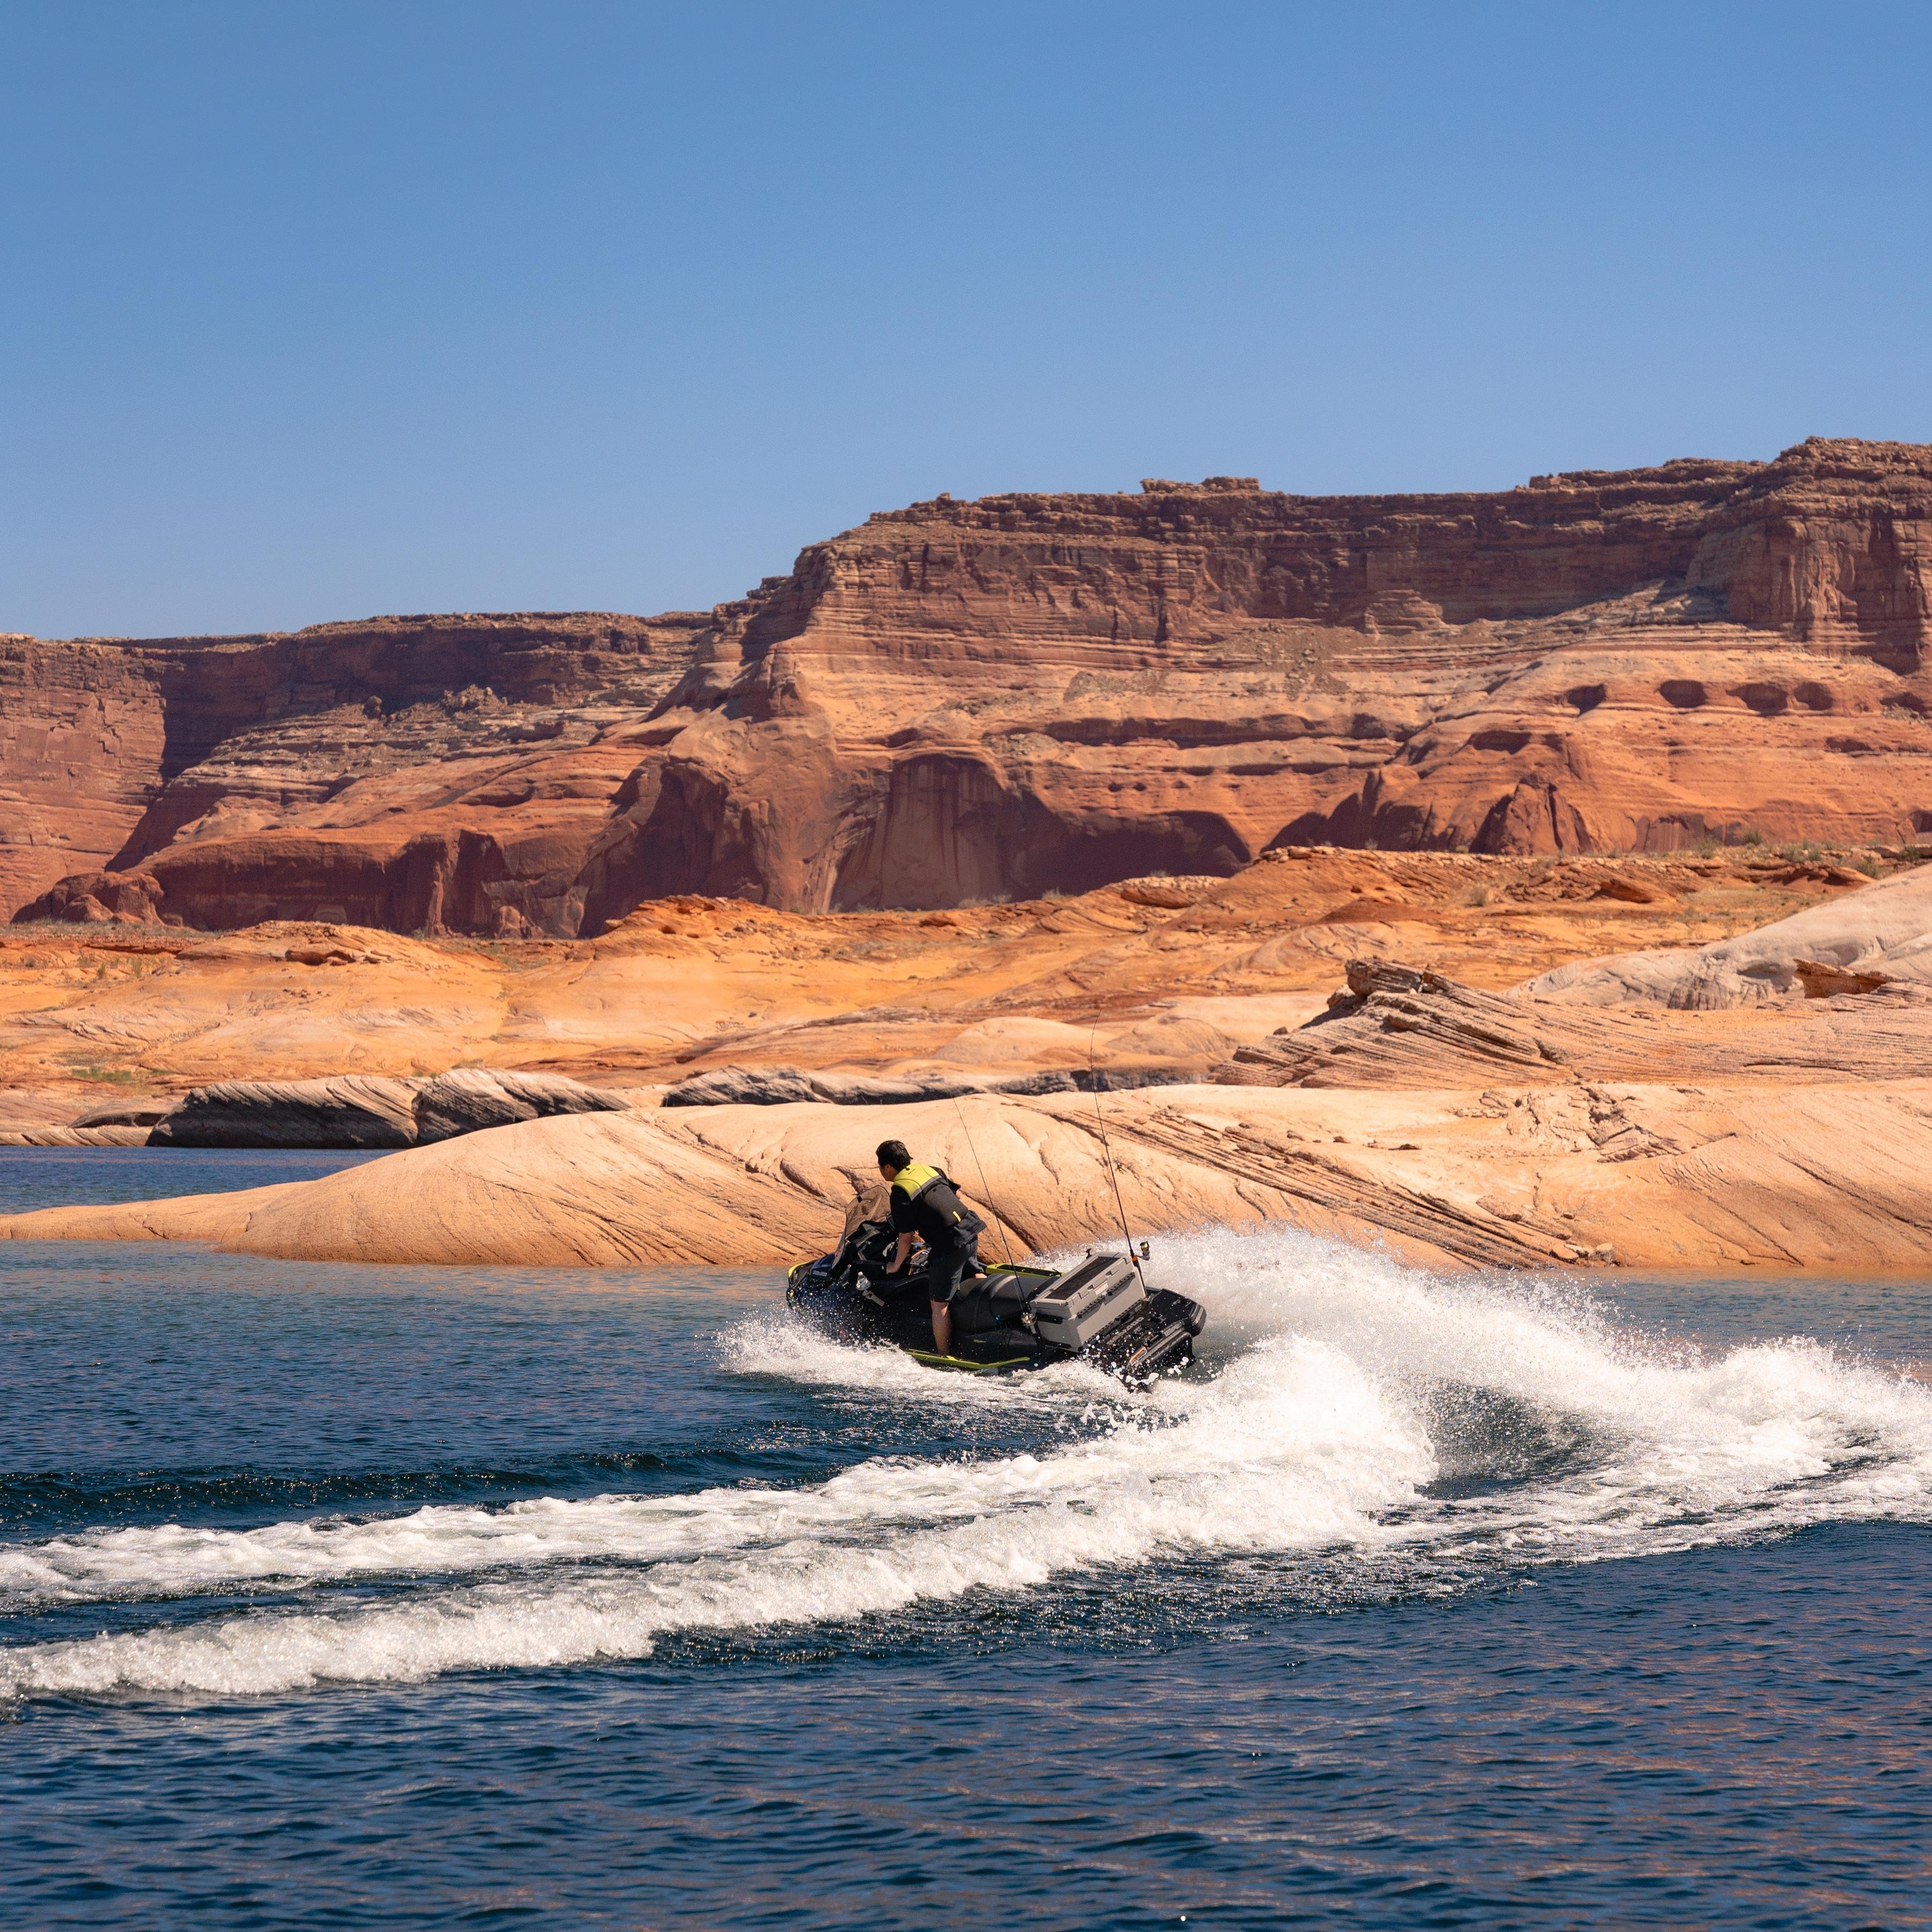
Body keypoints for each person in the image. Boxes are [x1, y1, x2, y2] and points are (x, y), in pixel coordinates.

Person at [875, 1138, 984, 1357]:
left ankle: (943, 1354)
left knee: (939, 1304)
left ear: (888, 1167)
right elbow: (952, 1197)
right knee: (976, 1273)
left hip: (951, 1244)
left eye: (880, 1166)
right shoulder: (929, 1170)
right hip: (970, 1229)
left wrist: (895, 1266)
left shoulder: (900, 1190)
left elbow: (906, 1237)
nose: (881, 1171)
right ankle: (984, 1318)